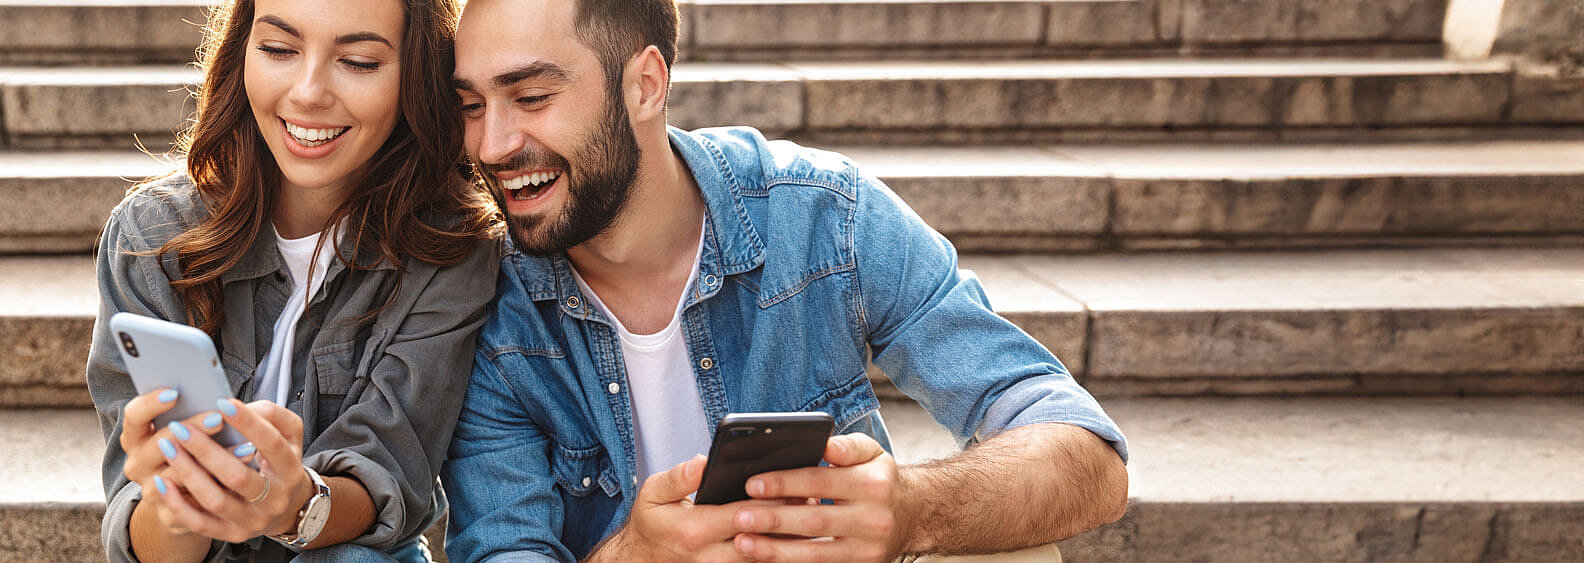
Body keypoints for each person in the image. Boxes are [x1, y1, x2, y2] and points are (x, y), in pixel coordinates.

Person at [440, 0, 1132, 561]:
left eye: (531, 96)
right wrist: (634, 556)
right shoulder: (489, 309)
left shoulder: (821, 216)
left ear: (645, 84)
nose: (491, 144)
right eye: (471, 105)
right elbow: (504, 549)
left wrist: (913, 509)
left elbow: (1085, 452)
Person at [86, 0, 501, 561]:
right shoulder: (152, 234)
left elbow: (392, 478)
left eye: (358, 62)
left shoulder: (452, 248)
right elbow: (147, 544)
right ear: (242, 52)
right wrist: (176, 504)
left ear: (416, 76)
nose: (308, 93)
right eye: (279, 49)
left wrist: (291, 505)